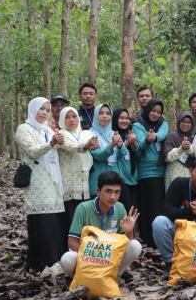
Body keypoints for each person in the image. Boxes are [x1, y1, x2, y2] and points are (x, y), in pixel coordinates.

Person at [15, 97, 66, 273]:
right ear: (32, 109)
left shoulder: (47, 130)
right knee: (42, 222)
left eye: (47, 109)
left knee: (52, 222)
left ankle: (52, 260)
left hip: (52, 180)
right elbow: (32, 151)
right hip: (37, 180)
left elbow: (63, 147)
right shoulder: (24, 129)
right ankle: (43, 263)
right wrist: (52, 142)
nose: (44, 113)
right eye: (41, 109)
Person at [60, 171, 142, 279]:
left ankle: (114, 276)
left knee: (135, 246)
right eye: (108, 191)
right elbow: (72, 242)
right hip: (88, 258)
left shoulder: (120, 207)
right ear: (98, 191)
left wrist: (129, 231)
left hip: (110, 257)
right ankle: (82, 278)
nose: (113, 197)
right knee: (68, 259)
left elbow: (125, 242)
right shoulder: (83, 208)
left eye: (117, 192)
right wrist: (96, 259)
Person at [57, 107, 98, 252]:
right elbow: (71, 147)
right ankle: (67, 253)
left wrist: (93, 144)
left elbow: (93, 143)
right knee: (69, 220)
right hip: (68, 185)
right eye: (67, 117)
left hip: (83, 184)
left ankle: (85, 253)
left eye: (74, 116)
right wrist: (86, 146)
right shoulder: (60, 134)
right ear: (62, 119)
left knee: (83, 220)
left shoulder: (86, 133)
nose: (71, 120)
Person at [133, 99, 170, 248]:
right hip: (146, 173)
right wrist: (147, 140)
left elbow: (163, 133)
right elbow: (140, 146)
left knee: (160, 206)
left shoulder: (163, 124)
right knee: (147, 207)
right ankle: (149, 240)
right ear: (147, 110)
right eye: (153, 110)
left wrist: (154, 136)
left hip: (162, 171)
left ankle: (159, 240)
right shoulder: (138, 125)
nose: (155, 114)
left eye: (158, 112)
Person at [88, 104, 125, 196]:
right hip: (98, 181)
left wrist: (120, 145)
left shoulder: (113, 133)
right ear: (96, 115)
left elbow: (122, 155)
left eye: (108, 113)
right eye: (101, 113)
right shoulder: (90, 134)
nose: (105, 116)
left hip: (115, 181)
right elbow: (98, 156)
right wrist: (112, 144)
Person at [112, 107, 139, 209]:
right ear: (115, 119)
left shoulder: (129, 133)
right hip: (121, 178)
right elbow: (115, 154)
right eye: (121, 118)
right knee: (125, 209)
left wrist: (133, 142)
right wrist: (127, 143)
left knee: (132, 208)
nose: (124, 121)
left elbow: (138, 153)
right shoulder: (112, 134)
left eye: (127, 118)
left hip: (133, 177)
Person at [163, 111, 196, 191]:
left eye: (188, 122)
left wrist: (189, 148)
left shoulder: (194, 137)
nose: (186, 124)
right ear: (179, 122)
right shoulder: (172, 136)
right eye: (183, 121)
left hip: (190, 173)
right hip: (174, 172)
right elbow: (167, 157)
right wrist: (181, 149)